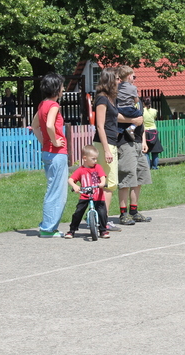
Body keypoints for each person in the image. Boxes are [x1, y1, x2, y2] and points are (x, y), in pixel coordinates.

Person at [30, 73, 68, 238]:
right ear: (56, 88)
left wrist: (45, 142)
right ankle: (48, 228)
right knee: (57, 192)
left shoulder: (42, 104)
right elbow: (50, 125)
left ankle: (49, 227)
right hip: (57, 153)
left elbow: (34, 126)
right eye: (62, 86)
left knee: (53, 189)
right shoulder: (53, 105)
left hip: (48, 152)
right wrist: (54, 141)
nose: (63, 89)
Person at [92, 68, 122, 231]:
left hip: (111, 143)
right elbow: (99, 125)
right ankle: (103, 220)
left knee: (108, 183)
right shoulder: (102, 99)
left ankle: (100, 218)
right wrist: (107, 150)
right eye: (116, 79)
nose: (119, 81)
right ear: (110, 80)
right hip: (105, 144)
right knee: (109, 183)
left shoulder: (111, 99)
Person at [117, 87, 152, 225]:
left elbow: (141, 123)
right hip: (125, 142)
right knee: (127, 177)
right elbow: (113, 116)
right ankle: (123, 213)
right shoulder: (119, 100)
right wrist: (133, 120)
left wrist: (144, 141)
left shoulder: (138, 103)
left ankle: (134, 211)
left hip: (138, 142)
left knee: (140, 176)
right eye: (132, 77)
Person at [65, 145, 109, 239]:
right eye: (93, 159)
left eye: (96, 159)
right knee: (78, 213)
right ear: (85, 158)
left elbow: (102, 177)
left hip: (98, 195)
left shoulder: (98, 167)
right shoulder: (80, 170)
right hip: (85, 195)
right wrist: (75, 186)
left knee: (102, 213)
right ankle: (72, 230)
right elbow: (70, 180)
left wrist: (102, 183)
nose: (95, 161)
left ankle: (103, 230)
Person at [116, 66, 143, 141]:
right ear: (129, 76)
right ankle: (132, 128)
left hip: (119, 108)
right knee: (140, 114)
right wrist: (136, 100)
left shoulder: (117, 87)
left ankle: (116, 136)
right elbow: (136, 100)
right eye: (133, 77)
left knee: (120, 124)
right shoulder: (133, 88)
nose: (134, 79)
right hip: (129, 108)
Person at [142, 97, 163, 170]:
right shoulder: (154, 111)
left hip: (145, 132)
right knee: (155, 151)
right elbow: (154, 118)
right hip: (154, 131)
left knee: (146, 151)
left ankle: (147, 167)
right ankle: (155, 166)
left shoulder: (142, 111)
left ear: (143, 103)